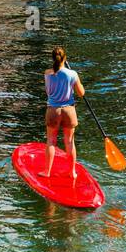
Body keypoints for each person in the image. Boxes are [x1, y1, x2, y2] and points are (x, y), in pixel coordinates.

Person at [43, 45, 85, 180]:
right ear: (64, 58)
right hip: (69, 110)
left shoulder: (47, 73)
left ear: (52, 58)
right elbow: (81, 93)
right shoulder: (73, 74)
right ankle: (72, 172)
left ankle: (47, 172)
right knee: (69, 141)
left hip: (53, 110)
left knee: (51, 141)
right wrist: (73, 79)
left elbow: (48, 92)